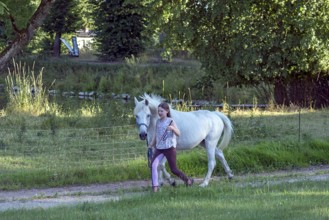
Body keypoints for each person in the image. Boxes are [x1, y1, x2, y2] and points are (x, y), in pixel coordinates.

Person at [148, 102, 194, 192]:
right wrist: (151, 144)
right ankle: (155, 187)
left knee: (173, 169)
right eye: (158, 111)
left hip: (169, 148)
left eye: (161, 111)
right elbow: (156, 135)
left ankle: (188, 180)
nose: (159, 113)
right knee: (153, 165)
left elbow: (178, 133)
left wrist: (172, 129)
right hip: (160, 148)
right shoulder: (158, 122)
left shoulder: (170, 121)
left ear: (167, 111)